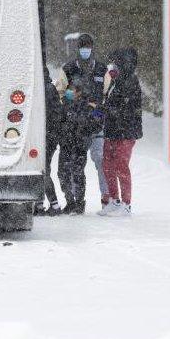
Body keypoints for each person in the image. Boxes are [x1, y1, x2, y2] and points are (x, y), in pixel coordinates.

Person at [59, 34, 110, 209]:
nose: (85, 49)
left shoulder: (102, 69)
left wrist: (95, 109)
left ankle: (107, 199)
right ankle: (75, 202)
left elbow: (107, 97)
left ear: (92, 47)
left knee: (101, 161)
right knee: (74, 166)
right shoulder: (68, 68)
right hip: (75, 127)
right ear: (78, 48)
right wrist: (72, 99)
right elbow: (60, 93)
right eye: (82, 46)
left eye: (88, 46)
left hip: (95, 126)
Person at [98, 47, 143, 217]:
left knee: (121, 166)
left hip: (126, 131)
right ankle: (114, 200)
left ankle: (126, 204)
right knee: (107, 164)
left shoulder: (131, 81)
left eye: (116, 63)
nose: (113, 67)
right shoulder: (115, 81)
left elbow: (125, 108)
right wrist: (101, 111)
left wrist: (107, 110)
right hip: (112, 130)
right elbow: (109, 102)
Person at [57, 79, 104, 215]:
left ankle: (79, 203)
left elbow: (98, 122)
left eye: (73, 90)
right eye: (69, 89)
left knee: (77, 173)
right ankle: (69, 202)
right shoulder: (65, 104)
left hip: (79, 145)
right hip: (66, 144)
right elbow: (59, 121)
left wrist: (85, 128)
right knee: (62, 173)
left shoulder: (89, 105)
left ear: (79, 92)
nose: (70, 92)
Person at [39, 65, 66, 215]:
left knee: (43, 170)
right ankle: (44, 204)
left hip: (46, 136)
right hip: (50, 136)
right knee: (43, 170)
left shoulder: (45, 89)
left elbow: (52, 115)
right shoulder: (49, 88)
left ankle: (54, 205)